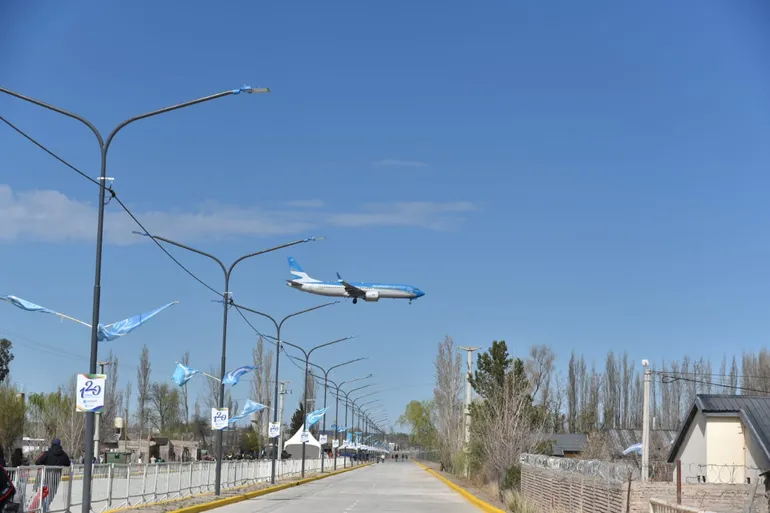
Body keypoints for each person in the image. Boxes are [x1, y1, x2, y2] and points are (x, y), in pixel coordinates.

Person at [35, 438, 70, 513]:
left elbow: (37, 462)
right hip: (56, 477)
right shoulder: (63, 454)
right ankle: (46, 508)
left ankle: (44, 509)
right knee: (51, 494)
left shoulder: (47, 453)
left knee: (45, 493)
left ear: (52, 444)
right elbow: (68, 463)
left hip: (46, 476)